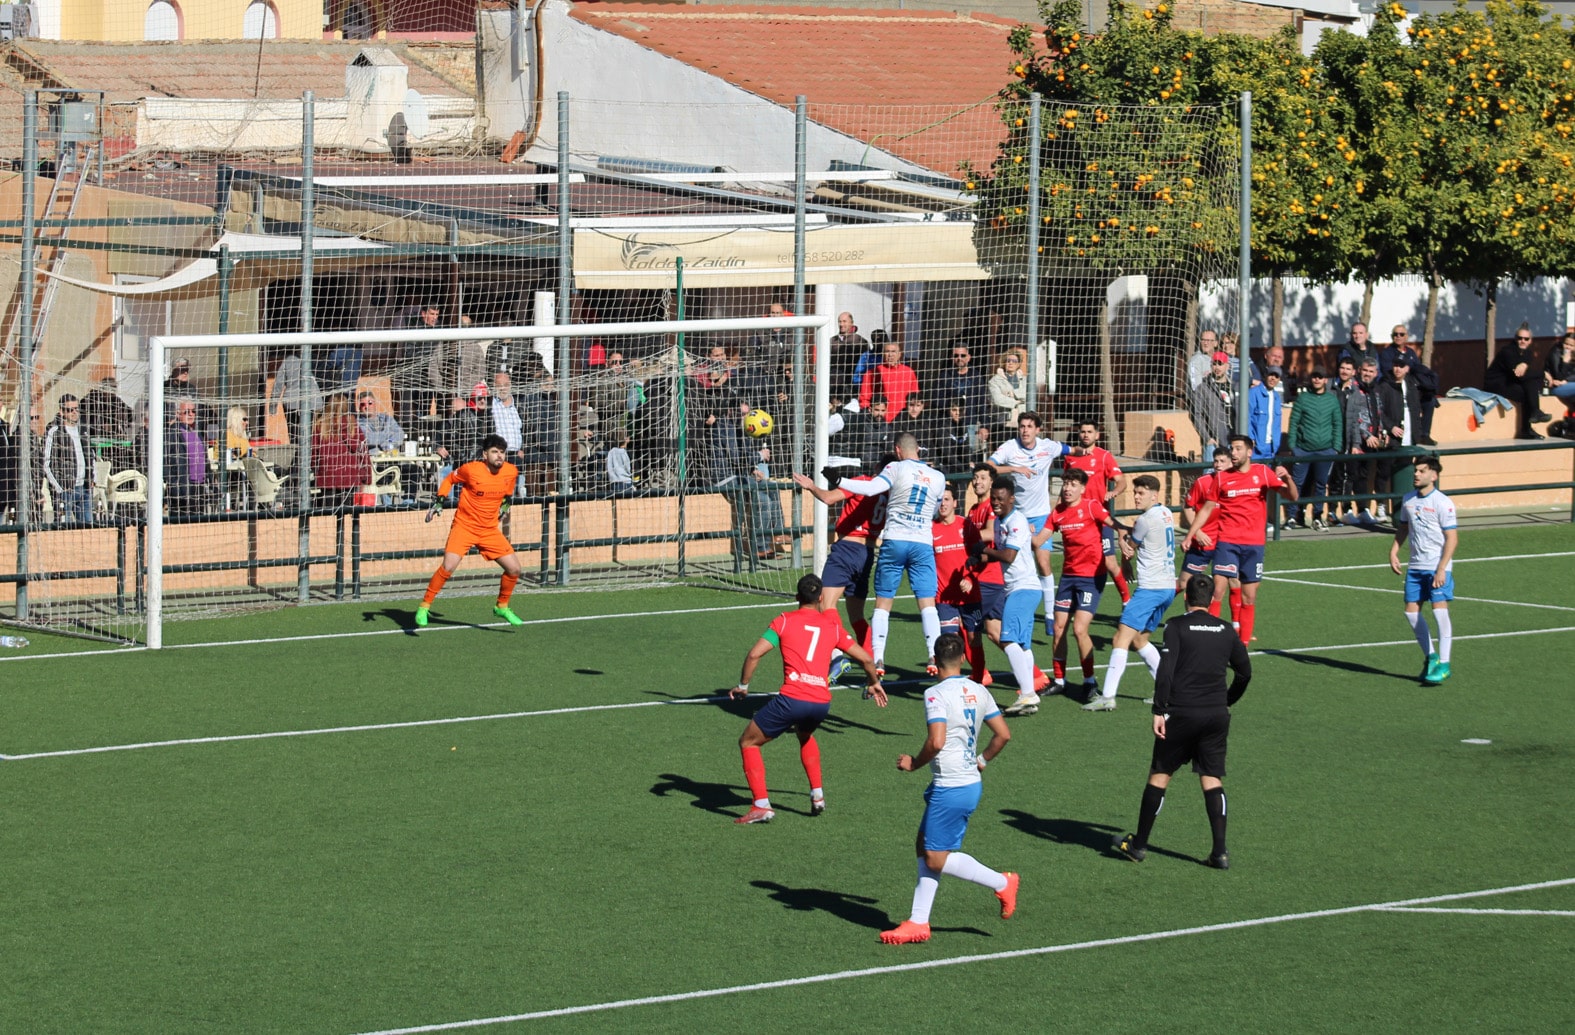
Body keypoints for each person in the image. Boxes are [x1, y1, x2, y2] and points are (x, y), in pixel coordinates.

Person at [880, 632, 1017, 945]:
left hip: (952, 786)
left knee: (934, 857)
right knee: (923, 845)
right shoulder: (979, 690)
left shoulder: (935, 694)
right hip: (965, 781)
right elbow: (1003, 735)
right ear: (964, 658)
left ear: (934, 659)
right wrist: (980, 760)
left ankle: (1002, 882)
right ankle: (918, 921)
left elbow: (936, 741)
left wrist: (913, 763)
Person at [1112, 573, 1251, 870]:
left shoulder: (1176, 627)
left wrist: (1159, 710)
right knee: (1212, 778)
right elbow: (1244, 673)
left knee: (1160, 774)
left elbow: (1166, 672)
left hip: (1182, 713)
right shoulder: (1226, 630)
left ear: (1186, 597)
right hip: (1215, 715)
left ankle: (1138, 845)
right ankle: (1220, 852)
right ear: (1214, 599)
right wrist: (1227, 700)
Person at [730, 573, 886, 824]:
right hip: (821, 703)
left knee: (748, 742)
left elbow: (754, 655)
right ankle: (818, 796)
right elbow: (867, 659)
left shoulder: (783, 621)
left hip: (792, 699)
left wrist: (743, 686)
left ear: (796, 597)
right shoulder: (832, 627)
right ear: (821, 598)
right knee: (805, 735)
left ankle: (761, 805)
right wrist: (874, 683)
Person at [836, 432, 946, 674]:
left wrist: (840, 481)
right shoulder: (938, 476)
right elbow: (937, 511)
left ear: (897, 450)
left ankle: (878, 659)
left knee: (883, 603)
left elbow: (872, 487)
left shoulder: (896, 468)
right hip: (922, 543)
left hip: (895, 541)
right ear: (918, 450)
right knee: (927, 604)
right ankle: (932, 655)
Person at [1182, 434, 1298, 646]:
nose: (1233, 453)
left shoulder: (1262, 472)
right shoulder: (1222, 478)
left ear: (1249, 451)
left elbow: (1293, 497)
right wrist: (1191, 535)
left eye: (1237, 449)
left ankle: (1242, 646)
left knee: (1249, 597)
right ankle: (1211, 639)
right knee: (1217, 590)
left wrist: (1288, 478)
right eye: (1231, 449)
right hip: (1227, 542)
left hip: (1254, 545)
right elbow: (1206, 508)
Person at [1086, 475, 1177, 711]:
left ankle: (1107, 696)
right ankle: (1169, 693)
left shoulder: (1144, 520)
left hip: (1151, 588)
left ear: (1154, 495)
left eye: (1142, 493)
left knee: (1120, 638)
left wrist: (1123, 553)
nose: (1136, 496)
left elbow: (1130, 547)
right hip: (1167, 587)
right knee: (1140, 639)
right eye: (1135, 492)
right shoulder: (1166, 513)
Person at [415, 434, 525, 629]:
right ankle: (424, 606)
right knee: (448, 567)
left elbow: (508, 494)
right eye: (494, 452)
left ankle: (502, 606)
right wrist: (439, 501)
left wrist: (505, 507)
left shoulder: (510, 471)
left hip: (489, 529)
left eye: (502, 452)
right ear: (485, 454)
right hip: (464, 526)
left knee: (515, 569)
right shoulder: (471, 470)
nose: (499, 456)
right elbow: (449, 479)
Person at [792, 463, 884, 673]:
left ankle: (838, 656)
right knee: (856, 616)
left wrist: (811, 486)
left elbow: (828, 498)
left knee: (825, 604)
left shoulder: (864, 483)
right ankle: (873, 661)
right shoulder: (889, 491)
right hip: (868, 553)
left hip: (847, 549)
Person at [988, 411, 1066, 637]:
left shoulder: (1047, 447)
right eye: (1022, 426)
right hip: (1017, 516)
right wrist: (1014, 468)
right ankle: (1010, 607)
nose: (1025, 430)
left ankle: (1049, 615)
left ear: (1038, 430)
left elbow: (1072, 450)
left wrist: (1088, 452)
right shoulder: (1010, 448)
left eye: (1029, 426)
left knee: (1043, 562)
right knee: (1013, 564)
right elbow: (989, 466)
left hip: (1040, 514)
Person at [1040, 468, 1110, 701]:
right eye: (1065, 483)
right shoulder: (1057, 513)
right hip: (1068, 578)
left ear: (1082, 488)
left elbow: (1111, 524)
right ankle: (1059, 680)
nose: (1068, 488)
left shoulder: (1091, 506)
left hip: (1091, 578)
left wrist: (1126, 537)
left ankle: (1090, 682)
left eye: (1073, 484)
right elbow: (1039, 540)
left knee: (1080, 629)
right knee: (1059, 629)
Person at [980, 475, 1047, 715]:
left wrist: (984, 549)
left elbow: (1008, 556)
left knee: (1007, 640)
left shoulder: (1017, 520)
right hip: (1016, 588)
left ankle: (1027, 694)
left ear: (1012, 499)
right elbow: (997, 554)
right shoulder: (1000, 522)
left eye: (1000, 499)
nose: (995, 503)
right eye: (993, 498)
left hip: (1023, 587)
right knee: (1022, 645)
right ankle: (1030, 694)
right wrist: (976, 557)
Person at [1389, 456, 1457, 685]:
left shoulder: (1443, 502)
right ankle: (1431, 657)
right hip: (1416, 566)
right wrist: (1394, 550)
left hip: (1437, 567)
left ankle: (1445, 664)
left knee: (1439, 611)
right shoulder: (1408, 500)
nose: (1416, 474)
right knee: (1411, 612)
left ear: (1433, 476)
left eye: (1421, 471)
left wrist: (1441, 569)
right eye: (1415, 470)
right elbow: (1404, 527)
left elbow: (1452, 539)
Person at [1064, 418, 1132, 604]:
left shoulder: (1104, 456)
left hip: (1099, 519)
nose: (1085, 435)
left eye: (1089, 432)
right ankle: (1073, 604)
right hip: (1077, 520)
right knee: (1076, 562)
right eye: (1082, 431)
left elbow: (1121, 481)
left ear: (1097, 435)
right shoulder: (1071, 457)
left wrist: (1114, 492)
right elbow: (1067, 486)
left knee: (1109, 562)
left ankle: (1127, 600)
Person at [1283, 366, 1342, 530]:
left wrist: (1335, 448)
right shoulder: (1303, 398)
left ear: (1325, 380)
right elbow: (1294, 422)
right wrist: (1293, 446)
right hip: (1302, 450)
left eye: (1320, 377)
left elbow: (1337, 424)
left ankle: (1317, 516)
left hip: (1325, 450)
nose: (1317, 379)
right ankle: (1292, 516)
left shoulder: (1332, 400)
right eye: (1314, 376)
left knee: (1321, 484)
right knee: (1297, 483)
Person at [1181, 447, 1237, 619]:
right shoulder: (1203, 482)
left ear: (1231, 463)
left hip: (1224, 543)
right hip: (1202, 542)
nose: (1218, 465)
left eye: (1222, 462)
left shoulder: (1238, 484)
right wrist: (1197, 532)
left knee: (1225, 587)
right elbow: (1188, 507)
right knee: (1184, 584)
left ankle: (1234, 625)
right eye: (1216, 461)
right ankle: (1182, 616)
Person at [1343, 358, 1389, 524]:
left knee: (1363, 476)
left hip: (1372, 443)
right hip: (1355, 441)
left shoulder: (1375, 390)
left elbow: (1378, 414)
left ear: (1376, 373)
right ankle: (1346, 510)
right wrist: (1366, 435)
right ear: (1359, 371)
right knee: (1350, 476)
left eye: (1371, 371)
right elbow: (1354, 417)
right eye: (1365, 371)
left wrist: (1382, 432)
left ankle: (1362, 509)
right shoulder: (1352, 389)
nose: (1367, 374)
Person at [1379, 324, 1440, 445]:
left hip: (1413, 387)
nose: (1398, 336)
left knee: (1430, 401)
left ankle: (1424, 434)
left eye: (1401, 334)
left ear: (1406, 337)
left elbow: (1418, 370)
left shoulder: (1411, 352)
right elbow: (1388, 372)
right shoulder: (1387, 353)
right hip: (1395, 389)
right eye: (1395, 334)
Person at [310, 395, 372, 512]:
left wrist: (315, 469)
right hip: (350, 477)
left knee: (328, 514)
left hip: (327, 477)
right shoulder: (353, 426)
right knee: (348, 513)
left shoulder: (320, 426)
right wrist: (366, 476)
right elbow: (363, 453)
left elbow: (314, 453)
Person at [1485, 324, 1548, 439]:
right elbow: (1520, 376)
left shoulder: (1527, 353)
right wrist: (1543, 374)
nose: (1522, 341)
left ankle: (1531, 421)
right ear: (1515, 339)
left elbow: (1525, 371)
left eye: (1526, 339)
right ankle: (1530, 421)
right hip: (1496, 384)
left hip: (1510, 382)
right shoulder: (1508, 352)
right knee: (1527, 391)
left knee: (1529, 385)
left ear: (1530, 341)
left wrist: (1524, 364)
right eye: (1520, 338)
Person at [41, 394, 93, 525]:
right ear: (62, 411)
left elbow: (90, 456)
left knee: (89, 529)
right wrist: (59, 488)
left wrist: (93, 477)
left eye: (77, 409)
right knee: (64, 528)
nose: (75, 412)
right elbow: (46, 463)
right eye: (70, 410)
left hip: (84, 487)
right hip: (66, 489)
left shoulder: (83, 430)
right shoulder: (55, 431)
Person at [163, 398, 211, 517]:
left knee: (199, 522)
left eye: (193, 411)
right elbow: (164, 460)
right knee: (180, 523)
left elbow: (204, 458)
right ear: (178, 413)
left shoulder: (196, 433)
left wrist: (209, 477)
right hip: (182, 487)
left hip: (199, 486)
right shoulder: (172, 432)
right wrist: (173, 482)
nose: (190, 414)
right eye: (186, 412)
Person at [859, 336, 920, 419]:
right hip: (881, 420)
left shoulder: (908, 372)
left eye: (893, 351)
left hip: (903, 419)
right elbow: (865, 399)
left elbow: (915, 397)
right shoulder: (873, 373)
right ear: (883, 354)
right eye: (887, 351)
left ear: (899, 354)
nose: (890, 355)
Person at [269, 351, 324, 437]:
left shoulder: (288, 361)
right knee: (312, 434)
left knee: (294, 433)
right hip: (314, 402)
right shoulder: (315, 359)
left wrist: (273, 407)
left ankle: (296, 447)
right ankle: (310, 448)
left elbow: (278, 384)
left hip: (293, 401)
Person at [1189, 349, 1234, 451]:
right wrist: (1207, 438)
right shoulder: (1203, 388)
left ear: (1227, 366)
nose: (1217, 367)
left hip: (1233, 439)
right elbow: (1196, 414)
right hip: (1214, 442)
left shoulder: (1234, 387)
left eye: (1220, 364)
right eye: (1214, 364)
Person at [1247, 366, 1284, 460]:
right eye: (1271, 375)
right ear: (1265, 375)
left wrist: (1276, 443)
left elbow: (1277, 423)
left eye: (1276, 376)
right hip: (1256, 447)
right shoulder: (1253, 392)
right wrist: (1251, 438)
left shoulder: (1277, 397)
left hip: (1271, 447)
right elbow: (1247, 417)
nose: (1273, 378)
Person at [987, 348, 1029, 431]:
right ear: (1004, 362)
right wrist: (1017, 402)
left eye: (1014, 361)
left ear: (1019, 364)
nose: (1011, 363)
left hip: (1024, 423)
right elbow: (997, 400)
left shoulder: (1026, 380)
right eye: (1008, 360)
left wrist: (1011, 394)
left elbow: (1029, 396)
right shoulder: (994, 381)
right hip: (1002, 423)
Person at [355, 390, 404, 455]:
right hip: (370, 458)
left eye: (370, 403)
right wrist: (389, 434)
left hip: (390, 456)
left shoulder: (387, 418)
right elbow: (367, 439)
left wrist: (388, 445)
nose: (366, 407)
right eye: (362, 404)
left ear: (375, 403)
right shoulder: (356, 422)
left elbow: (400, 434)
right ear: (359, 407)